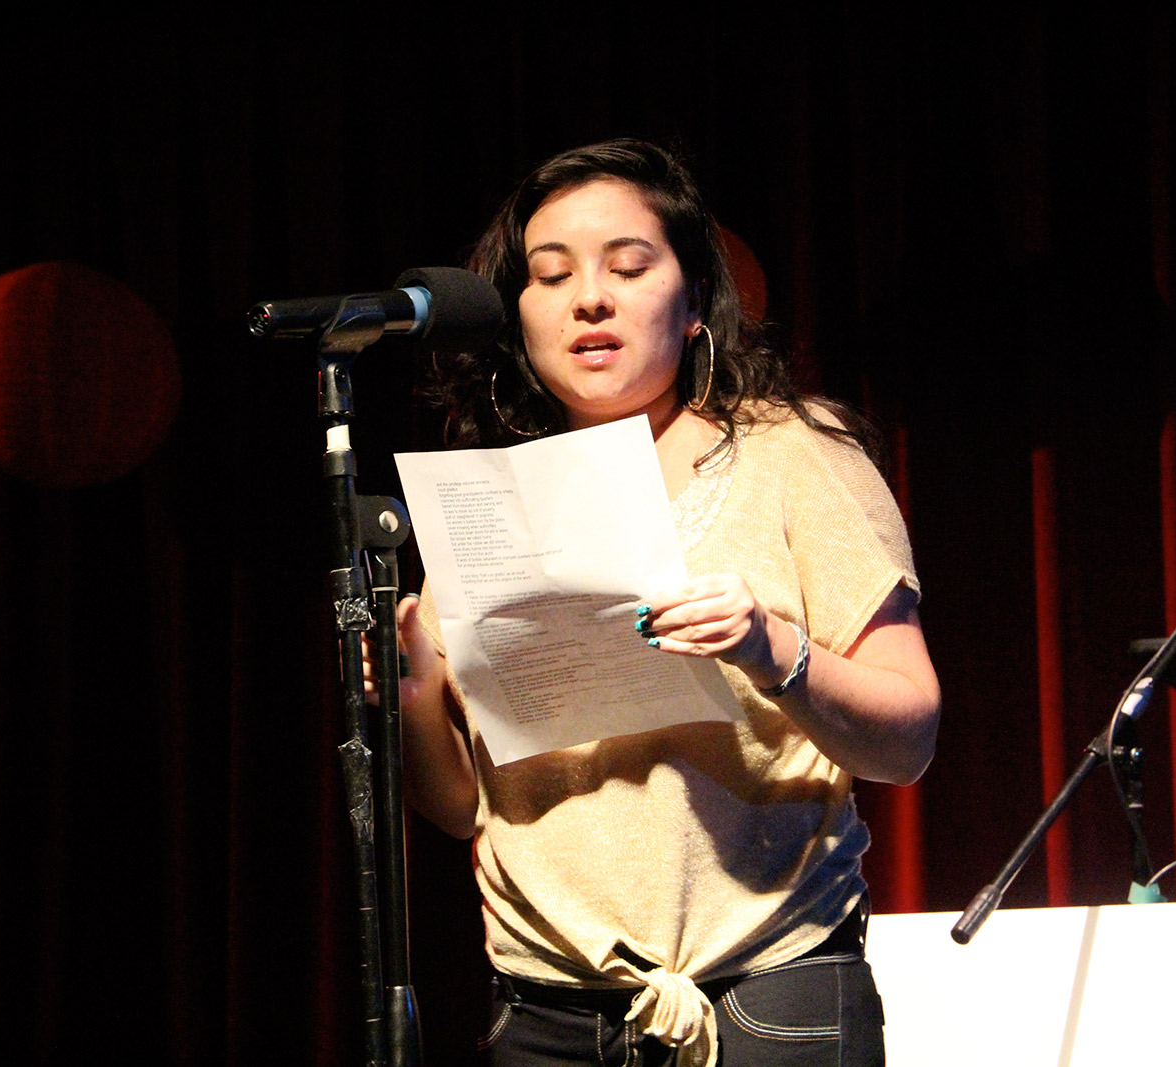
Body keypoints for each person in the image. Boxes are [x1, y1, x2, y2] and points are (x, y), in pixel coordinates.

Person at [382, 139, 939, 1067]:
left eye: (629, 266)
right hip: (548, 1016)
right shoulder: (493, 504)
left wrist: (774, 648)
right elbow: (462, 807)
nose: (588, 298)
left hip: (771, 1001)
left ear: (691, 306)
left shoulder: (793, 455)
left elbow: (909, 738)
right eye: (549, 276)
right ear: (519, 316)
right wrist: (410, 692)